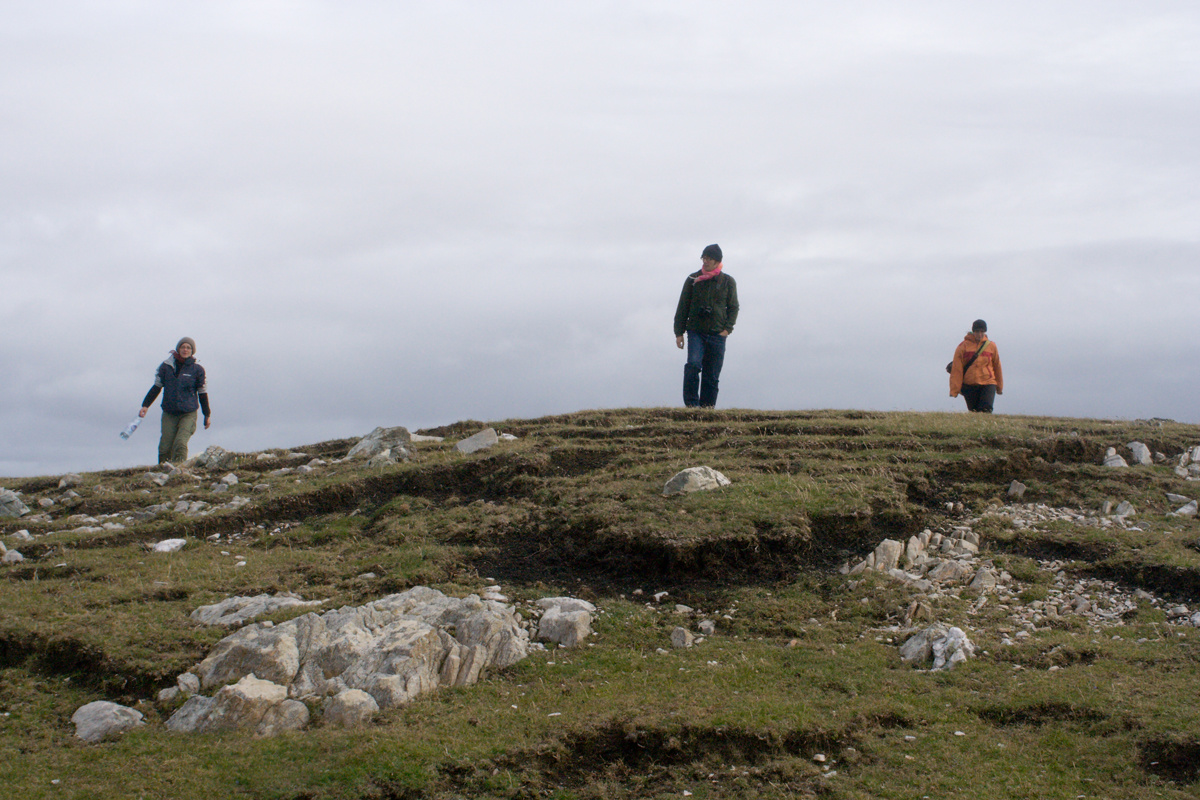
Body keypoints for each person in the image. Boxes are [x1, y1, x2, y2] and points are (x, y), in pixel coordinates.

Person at [674, 243, 739, 408]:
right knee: (693, 365)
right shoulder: (692, 279)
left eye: (709, 258)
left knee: (712, 375)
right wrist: (679, 332)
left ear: (718, 261)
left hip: (718, 334)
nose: (706, 261)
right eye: (704, 257)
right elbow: (683, 305)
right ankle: (691, 406)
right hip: (696, 331)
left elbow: (733, 307)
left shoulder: (727, 281)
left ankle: (707, 410)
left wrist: (727, 329)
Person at [138, 337, 211, 464]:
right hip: (169, 412)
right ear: (178, 348)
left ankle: (178, 472)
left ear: (192, 351)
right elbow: (156, 387)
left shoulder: (197, 370)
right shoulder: (166, 367)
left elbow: (202, 393)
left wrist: (207, 415)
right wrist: (145, 405)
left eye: (188, 347)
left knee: (180, 443)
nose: (185, 350)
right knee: (165, 447)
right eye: (183, 347)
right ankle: (163, 471)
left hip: (188, 413)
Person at [949, 319, 1003, 413]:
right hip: (969, 385)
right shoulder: (963, 347)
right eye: (977, 331)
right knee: (974, 412)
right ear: (973, 331)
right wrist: (954, 389)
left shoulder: (992, 346)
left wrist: (999, 386)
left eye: (982, 331)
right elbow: (957, 370)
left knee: (986, 409)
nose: (979, 334)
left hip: (988, 383)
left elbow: (997, 367)